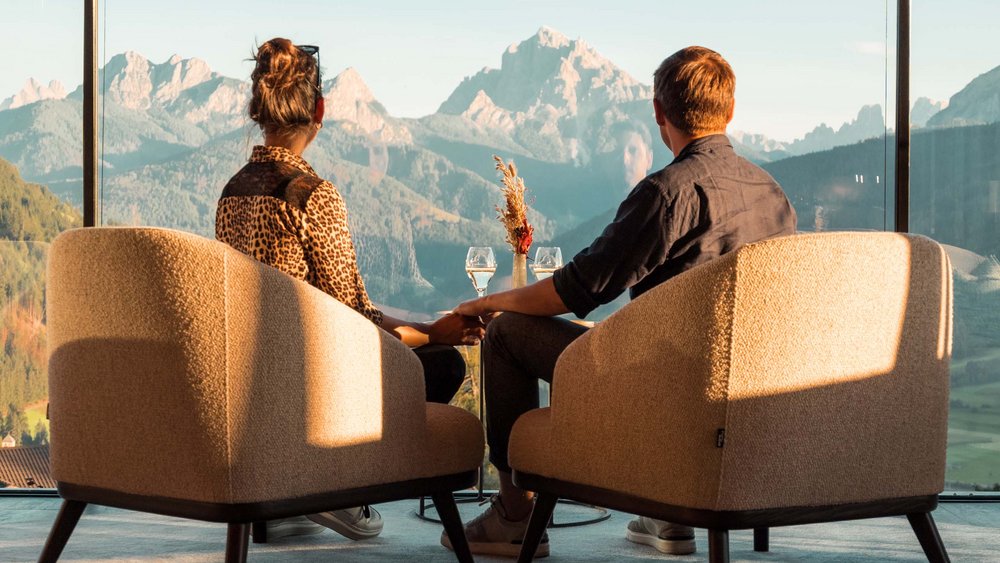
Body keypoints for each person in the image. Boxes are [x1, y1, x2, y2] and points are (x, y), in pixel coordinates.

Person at [444, 46, 797, 558]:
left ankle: (515, 514)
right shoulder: (773, 194)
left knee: (507, 334)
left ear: (659, 114)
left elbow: (576, 289)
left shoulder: (667, 193)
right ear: (731, 109)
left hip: (666, 394)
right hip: (749, 397)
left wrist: (491, 303)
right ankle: (667, 514)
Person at [215, 37, 485, 542]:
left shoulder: (232, 193)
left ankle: (282, 494)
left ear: (258, 109)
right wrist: (434, 332)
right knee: (445, 363)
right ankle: (337, 486)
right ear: (319, 110)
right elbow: (355, 320)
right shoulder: (312, 196)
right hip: (314, 392)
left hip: (253, 393)